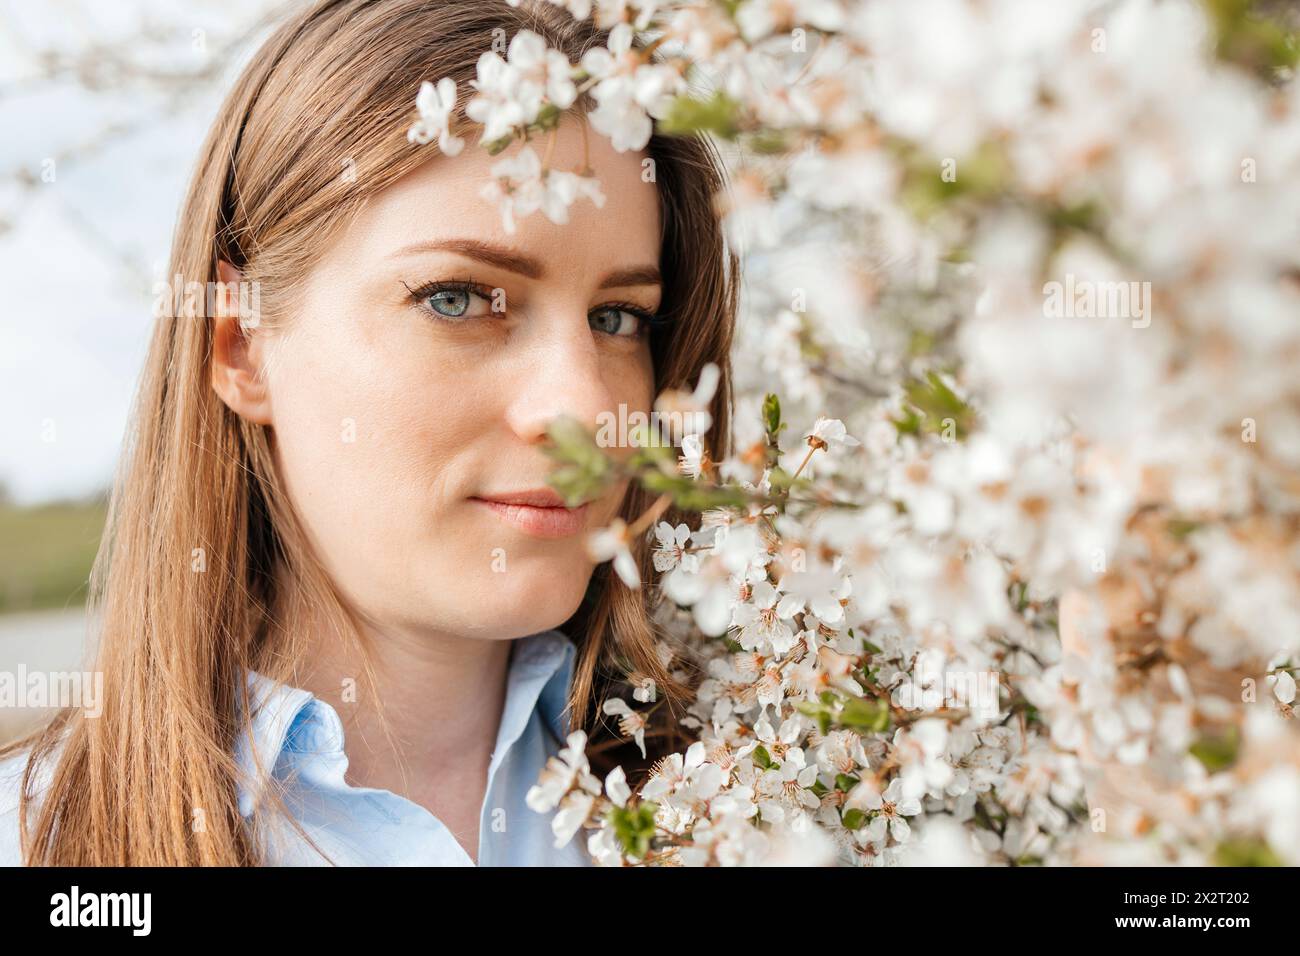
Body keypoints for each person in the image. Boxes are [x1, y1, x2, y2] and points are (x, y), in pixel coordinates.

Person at [0, 0, 736, 866]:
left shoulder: (767, 792)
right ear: (243, 346)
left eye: (618, 316)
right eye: (456, 299)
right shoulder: (39, 846)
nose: (582, 408)